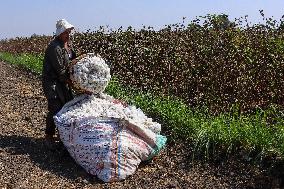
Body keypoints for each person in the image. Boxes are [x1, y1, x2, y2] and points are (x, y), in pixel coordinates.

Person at [42, 19, 77, 149]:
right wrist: (73, 84)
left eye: (69, 32)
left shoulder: (67, 45)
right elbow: (61, 71)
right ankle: (48, 136)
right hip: (52, 82)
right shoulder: (54, 47)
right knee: (55, 108)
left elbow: (74, 61)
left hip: (62, 82)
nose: (68, 35)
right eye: (65, 33)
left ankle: (62, 135)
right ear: (59, 33)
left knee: (67, 106)